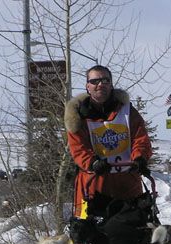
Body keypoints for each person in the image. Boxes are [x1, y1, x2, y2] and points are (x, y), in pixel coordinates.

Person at [64, 65, 152, 219]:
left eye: (105, 80)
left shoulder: (127, 112)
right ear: (87, 86)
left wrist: (140, 157)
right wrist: (92, 162)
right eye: (95, 81)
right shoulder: (78, 118)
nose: (100, 84)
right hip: (94, 187)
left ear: (111, 84)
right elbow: (78, 148)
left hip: (127, 184)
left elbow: (140, 138)